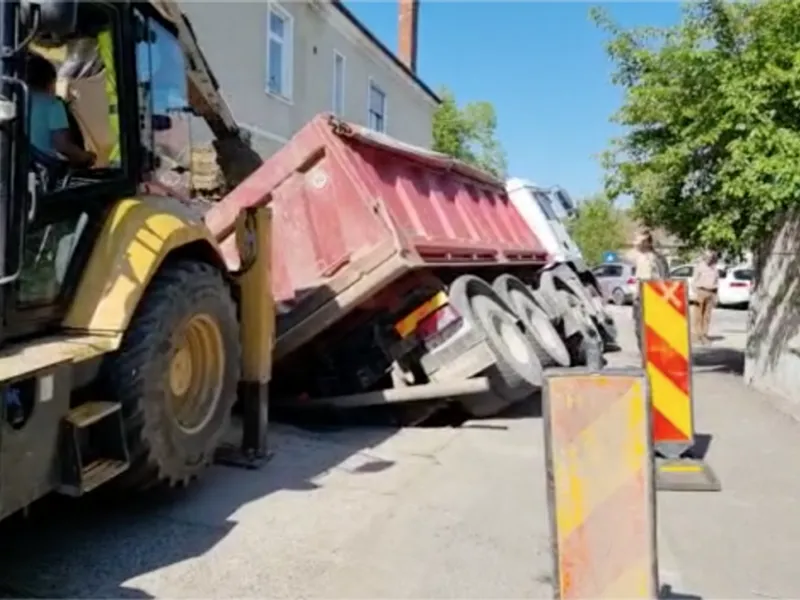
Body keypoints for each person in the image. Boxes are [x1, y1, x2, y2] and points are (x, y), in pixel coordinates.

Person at [26, 53, 96, 168]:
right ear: (50, 82)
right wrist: (86, 157)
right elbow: (63, 145)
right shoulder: (54, 105)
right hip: (44, 171)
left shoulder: (13, 102)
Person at [631, 229, 669, 351]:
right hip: (641, 298)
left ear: (646, 242)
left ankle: (651, 356)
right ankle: (646, 356)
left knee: (649, 331)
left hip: (651, 298)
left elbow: (664, 278)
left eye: (639, 240)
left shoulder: (656, 258)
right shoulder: (639, 257)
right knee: (640, 330)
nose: (635, 243)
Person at [691, 250, 720, 345]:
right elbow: (694, 281)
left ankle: (704, 334)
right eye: (707, 257)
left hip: (711, 292)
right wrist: (695, 292)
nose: (709, 259)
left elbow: (716, 283)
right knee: (698, 315)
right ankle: (697, 335)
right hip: (701, 291)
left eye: (711, 257)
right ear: (704, 257)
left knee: (707, 316)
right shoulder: (699, 266)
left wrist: (716, 296)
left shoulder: (714, 268)